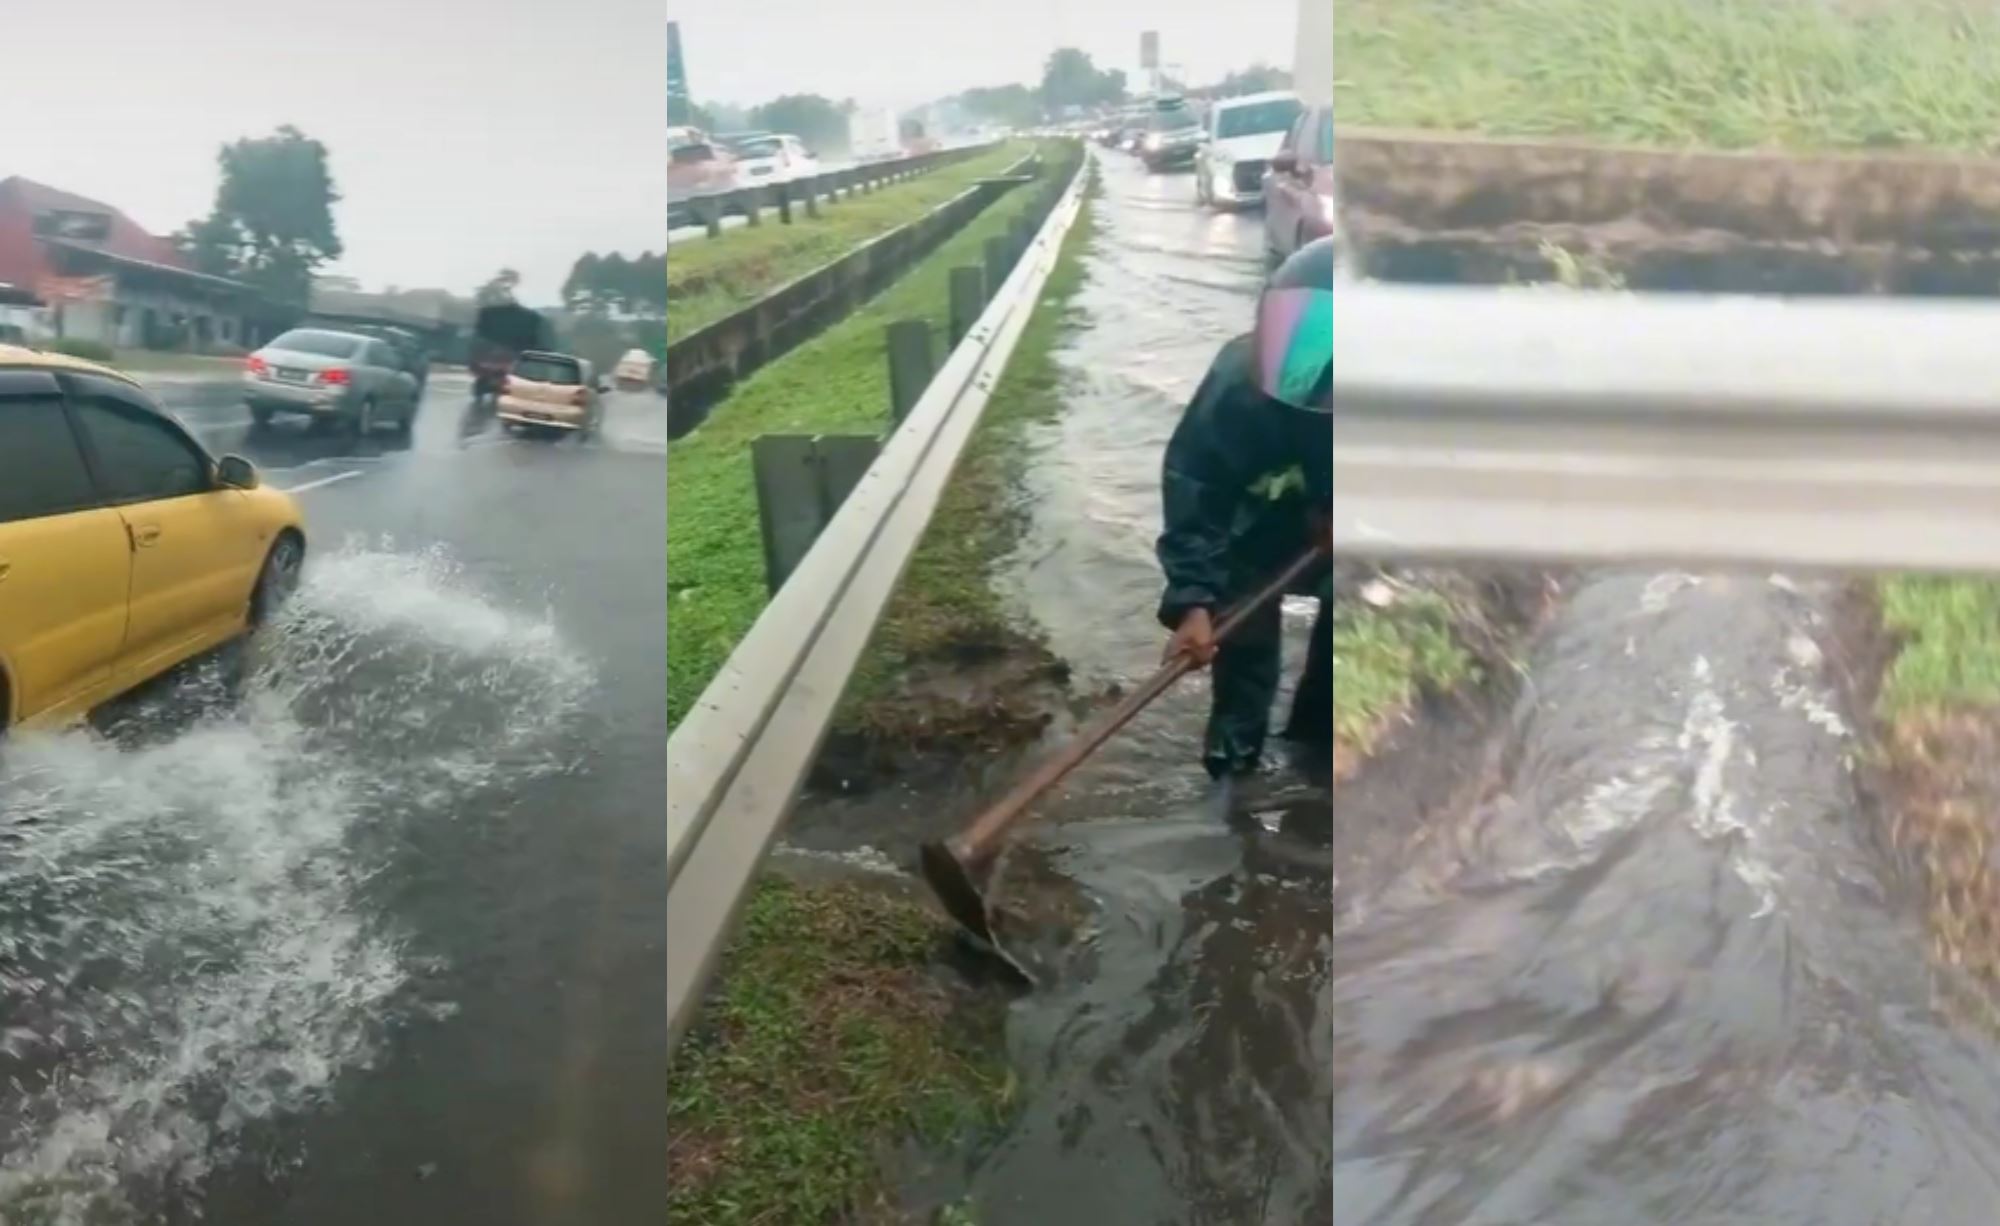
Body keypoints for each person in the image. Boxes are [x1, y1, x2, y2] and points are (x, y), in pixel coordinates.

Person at [1156, 236, 1334, 779]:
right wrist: (1193, 604)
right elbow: (1197, 488)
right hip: (1260, 523)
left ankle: (1317, 756)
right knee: (1243, 641)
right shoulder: (1237, 384)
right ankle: (1232, 772)